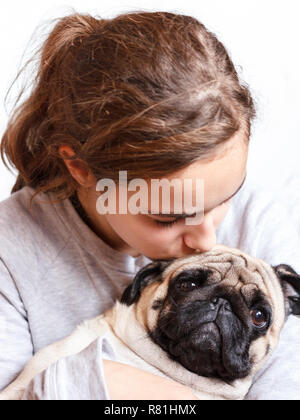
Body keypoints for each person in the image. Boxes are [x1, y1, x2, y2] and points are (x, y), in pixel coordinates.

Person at [0, 10, 299, 400]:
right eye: (168, 217)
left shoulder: (259, 219)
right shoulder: (10, 254)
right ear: (80, 167)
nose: (207, 239)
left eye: (225, 198)